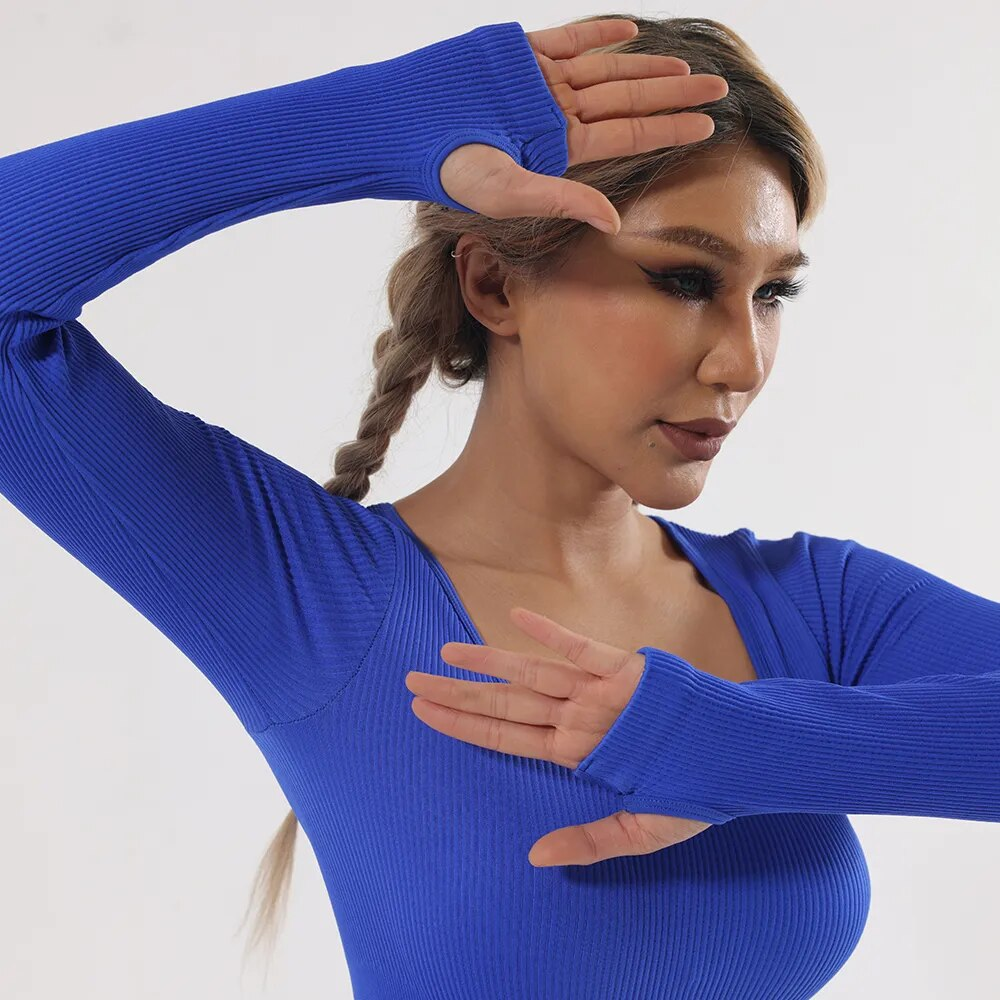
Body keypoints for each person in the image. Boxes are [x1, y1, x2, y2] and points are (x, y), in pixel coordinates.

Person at [3, 13, 999, 1000]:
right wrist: (384, 117)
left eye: (772, 293)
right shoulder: (312, 598)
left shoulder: (815, 603)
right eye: (684, 279)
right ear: (493, 283)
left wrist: (738, 743)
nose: (741, 360)